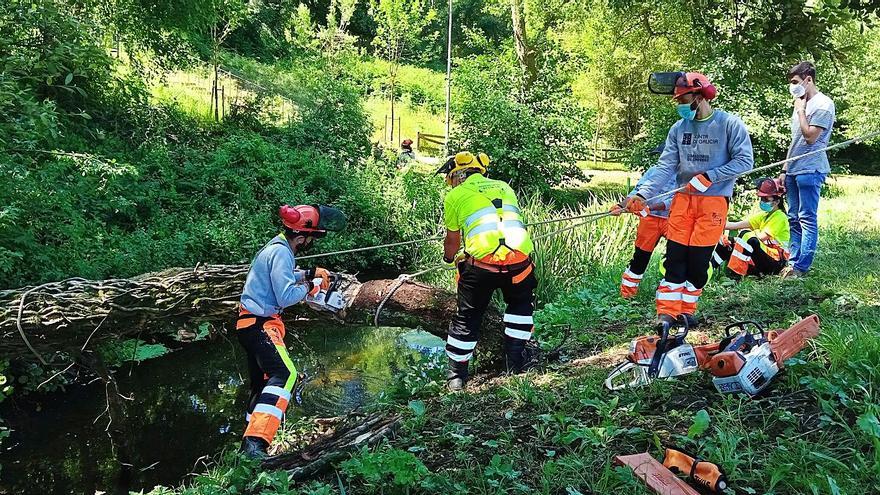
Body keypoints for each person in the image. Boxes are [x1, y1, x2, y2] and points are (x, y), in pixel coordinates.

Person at [622, 71, 754, 327]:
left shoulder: (729, 124)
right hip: (683, 201)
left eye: (684, 99)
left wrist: (711, 176)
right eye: (678, 101)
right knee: (675, 258)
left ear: (700, 95)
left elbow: (745, 161)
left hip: (714, 202)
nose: (680, 105)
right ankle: (667, 313)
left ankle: (686, 310)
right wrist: (641, 194)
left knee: (697, 262)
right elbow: (665, 166)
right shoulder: (678, 129)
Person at [237, 204, 346, 458]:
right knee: (286, 374)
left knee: (262, 384)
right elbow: (285, 296)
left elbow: (283, 276)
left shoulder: (276, 246)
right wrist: (311, 287)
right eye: (311, 237)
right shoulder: (282, 253)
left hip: (248, 324)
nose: (311, 242)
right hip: (261, 324)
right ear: (302, 235)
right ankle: (255, 444)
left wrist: (309, 273)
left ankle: (248, 437)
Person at [438, 151, 537, 391]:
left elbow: (453, 239)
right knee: (520, 307)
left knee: (467, 317)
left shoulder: (456, 195)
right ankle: (514, 364)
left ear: (458, 175)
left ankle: (456, 377)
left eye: (450, 178)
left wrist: (448, 259)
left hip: (482, 266)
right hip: (519, 262)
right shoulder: (504, 187)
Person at [779, 61, 835, 278]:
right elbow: (795, 141)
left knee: (806, 217)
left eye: (795, 82)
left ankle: (802, 267)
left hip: (811, 169)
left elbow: (810, 137)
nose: (792, 87)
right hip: (793, 169)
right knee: (793, 217)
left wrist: (801, 111)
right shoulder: (799, 104)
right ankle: (792, 263)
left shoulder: (823, 104)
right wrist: (784, 169)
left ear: (808, 79)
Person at [611, 145, 677, 298]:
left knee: (676, 256)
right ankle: (627, 295)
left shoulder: (684, 174)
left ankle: (669, 296)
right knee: (640, 256)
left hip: (673, 220)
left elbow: (675, 199)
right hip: (650, 221)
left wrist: (649, 207)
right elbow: (638, 191)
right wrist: (622, 206)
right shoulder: (653, 171)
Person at [712, 178, 790, 278]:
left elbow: (761, 237)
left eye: (766, 199)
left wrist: (739, 238)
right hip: (764, 259)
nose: (762, 201)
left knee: (746, 235)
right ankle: (708, 269)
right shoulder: (764, 215)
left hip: (777, 262)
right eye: (761, 199)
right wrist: (712, 223)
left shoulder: (780, 216)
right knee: (727, 242)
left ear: (777, 201)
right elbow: (735, 225)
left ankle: (736, 274)